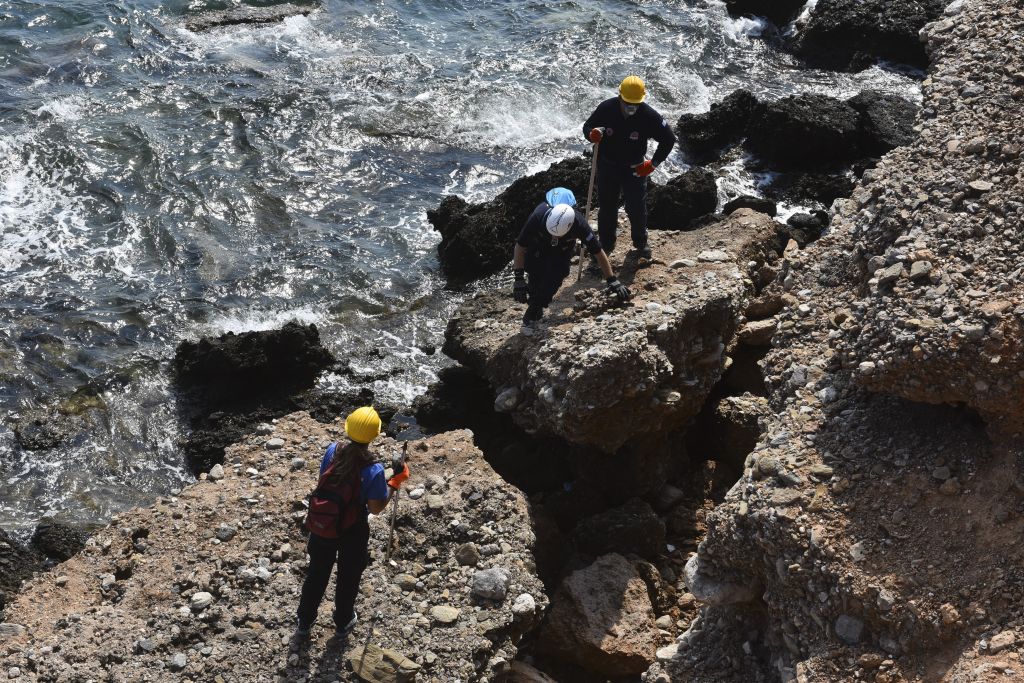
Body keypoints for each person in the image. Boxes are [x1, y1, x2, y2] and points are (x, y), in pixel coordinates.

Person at [296, 406, 409, 637]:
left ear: (348, 429)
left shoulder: (332, 450)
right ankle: (343, 620)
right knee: (348, 576)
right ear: (374, 435)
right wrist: (395, 482)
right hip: (352, 529)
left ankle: (304, 621)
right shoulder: (374, 469)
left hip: (323, 523)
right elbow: (376, 508)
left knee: (317, 573)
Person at [582, 75, 676, 259]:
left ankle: (641, 243)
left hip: (635, 168)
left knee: (636, 207)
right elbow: (588, 126)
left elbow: (669, 139)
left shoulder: (648, 115)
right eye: (627, 102)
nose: (631, 107)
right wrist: (591, 135)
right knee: (607, 207)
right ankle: (606, 245)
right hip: (607, 166)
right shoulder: (606, 108)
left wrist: (653, 163)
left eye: (635, 103)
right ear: (620, 97)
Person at [513, 187, 631, 324]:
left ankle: (537, 306)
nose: (554, 237)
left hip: (563, 248)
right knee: (535, 271)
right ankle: (535, 303)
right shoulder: (537, 217)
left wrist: (612, 280)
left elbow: (598, 251)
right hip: (539, 242)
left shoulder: (579, 224)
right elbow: (520, 246)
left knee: (559, 272)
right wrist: (519, 278)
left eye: (557, 235)